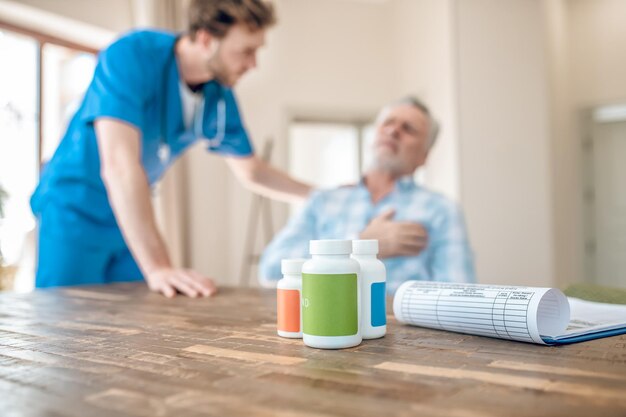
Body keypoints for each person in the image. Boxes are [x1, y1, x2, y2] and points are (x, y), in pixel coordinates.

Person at [31, 0, 311, 297]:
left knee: (133, 323)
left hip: (131, 217)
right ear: (205, 39)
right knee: (63, 322)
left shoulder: (219, 95)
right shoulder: (132, 55)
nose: (253, 64)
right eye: (246, 51)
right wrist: (158, 267)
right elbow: (120, 166)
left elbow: (252, 171)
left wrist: (320, 195)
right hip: (75, 210)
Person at [259, 96, 475, 293]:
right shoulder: (323, 201)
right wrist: (361, 244)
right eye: (388, 122)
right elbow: (270, 269)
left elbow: (459, 296)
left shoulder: (441, 210)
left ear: (423, 156)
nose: (393, 131)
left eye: (408, 128)